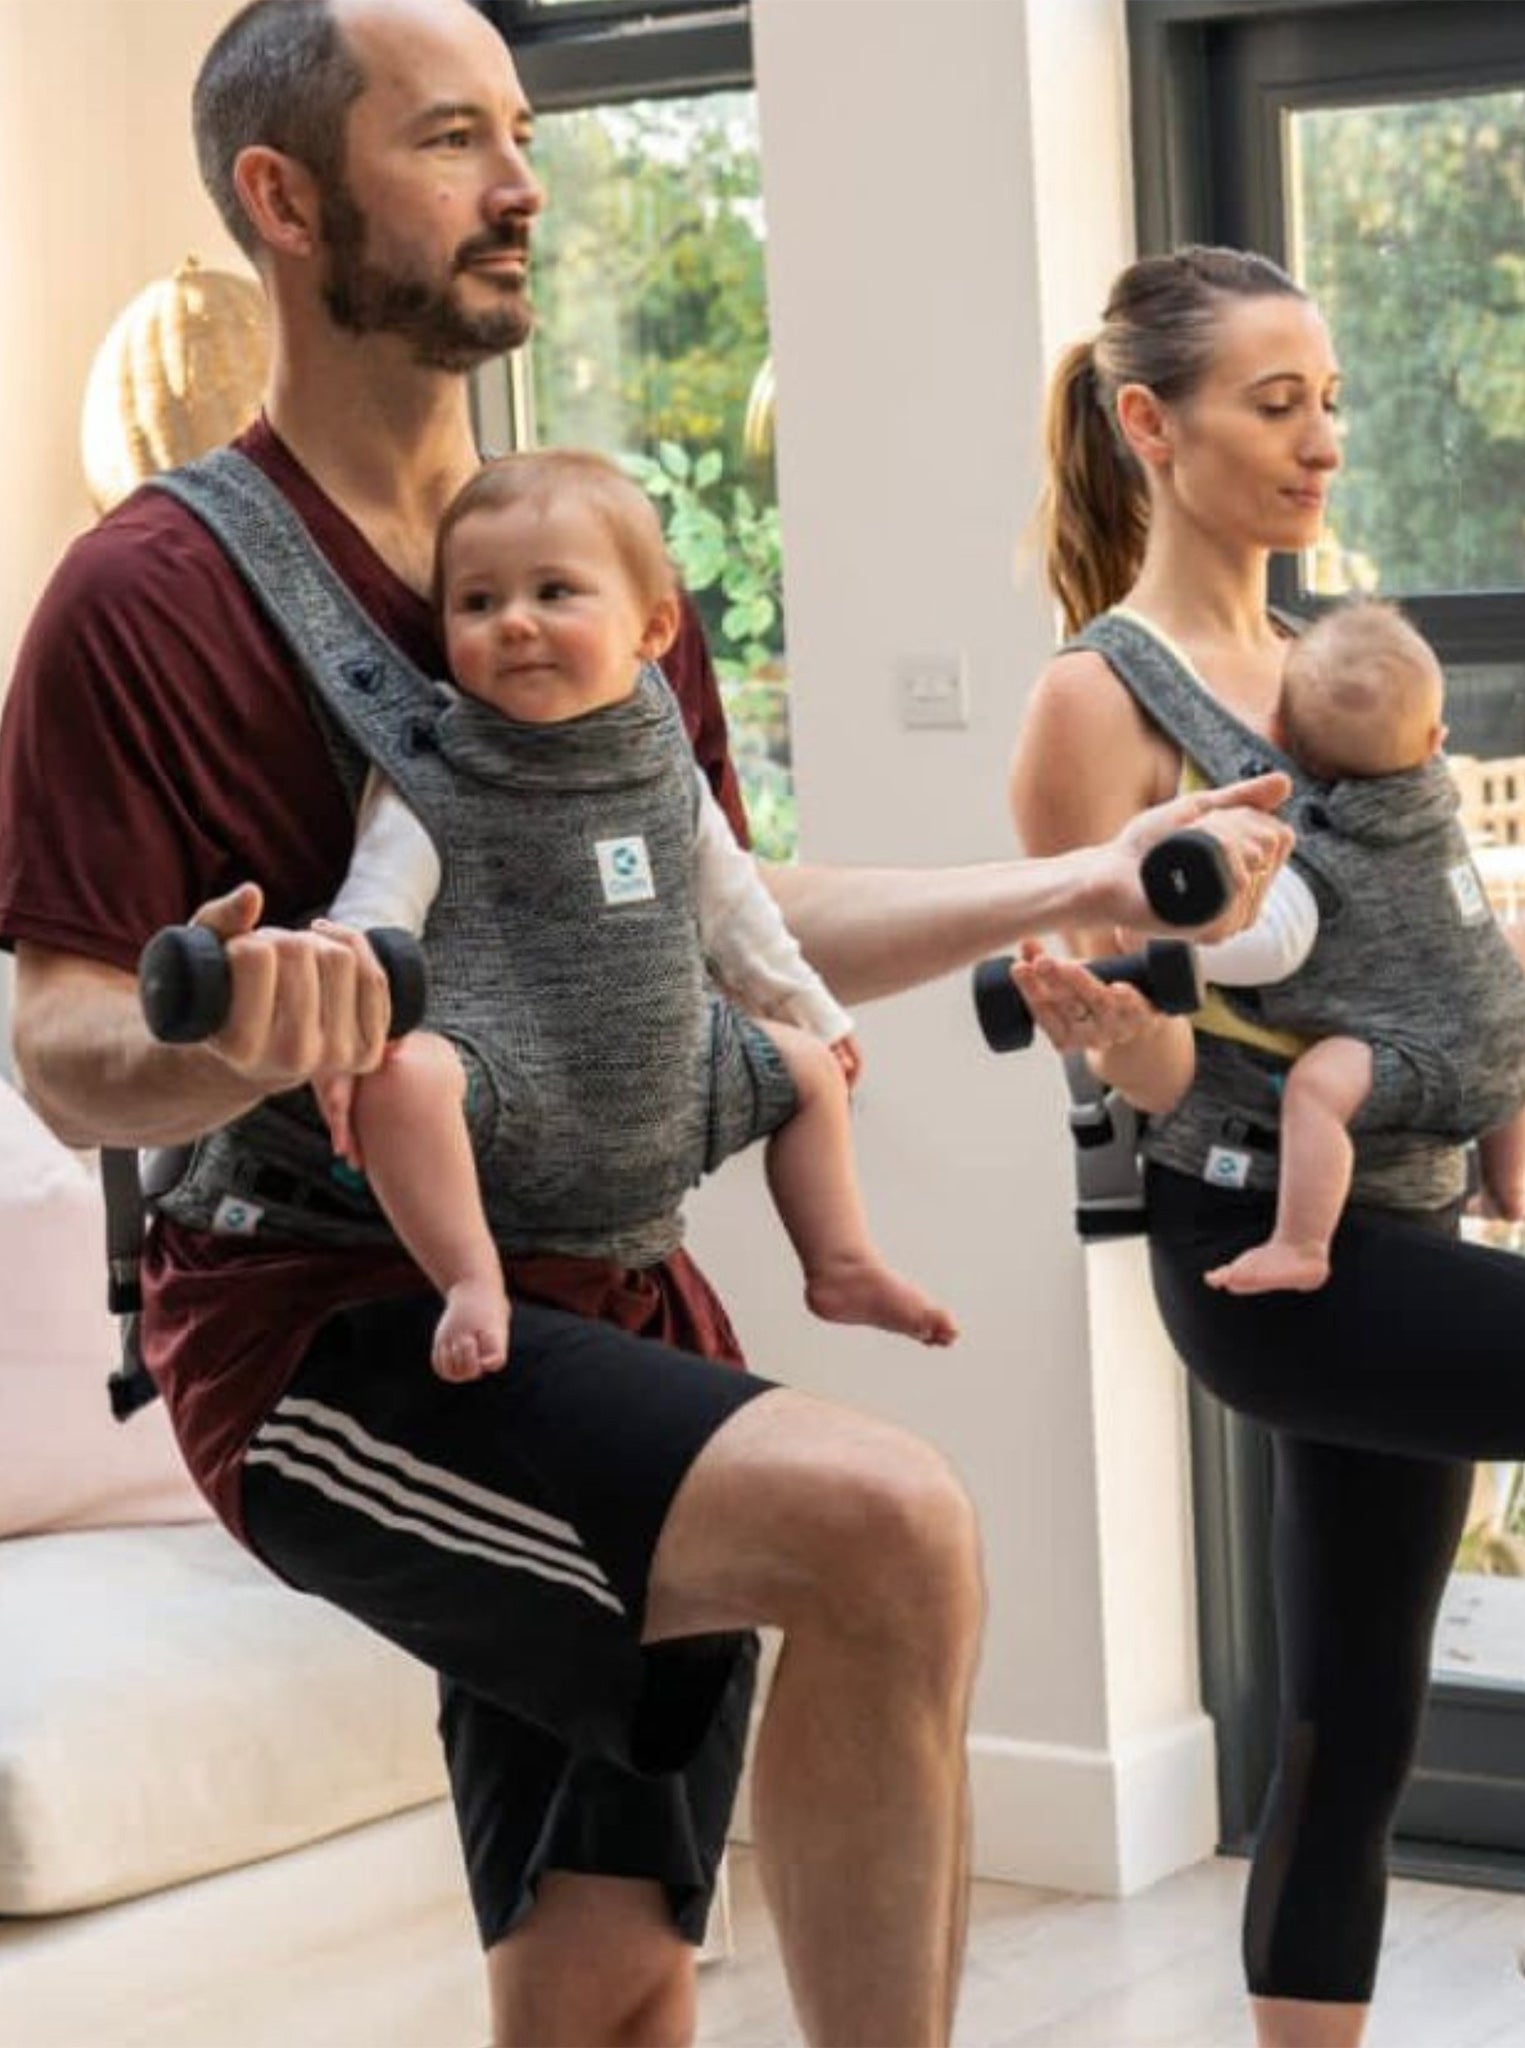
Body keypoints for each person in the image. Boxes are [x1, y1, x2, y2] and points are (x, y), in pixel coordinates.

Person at [0, 7, 1292, 2044]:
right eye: (451, 140)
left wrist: (1077, 879)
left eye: (520, 131)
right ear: (283, 197)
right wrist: (240, 1035)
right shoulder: (145, 595)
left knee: (609, 1978)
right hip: (335, 1336)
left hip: (614, 1309)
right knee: (885, 1529)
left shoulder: (560, 559)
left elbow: (730, 918)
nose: (523, 180)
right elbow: (65, 1045)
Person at [1008, 243, 1525, 2048]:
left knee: (1349, 1715)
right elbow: (1148, 1055)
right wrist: (1111, 1028)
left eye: (1329, 398)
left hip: (1403, 1228)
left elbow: (1428, 969)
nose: (1321, 438)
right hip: (1269, 1250)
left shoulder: (1341, 654)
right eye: (1274, 401)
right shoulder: (1101, 701)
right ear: (1152, 426)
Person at [316, 446, 957, 1380]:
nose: (517, 624)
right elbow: (379, 905)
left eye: (555, 593)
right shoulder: (437, 776)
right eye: (478, 603)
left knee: (810, 1069)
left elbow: (732, 905)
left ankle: (842, 1261)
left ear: (653, 628)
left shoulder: (661, 760)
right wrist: (350, 986)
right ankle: (470, 1278)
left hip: (671, 1076)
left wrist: (813, 1010)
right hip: (507, 1082)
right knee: (401, 1081)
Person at [1196, 595, 1525, 1295]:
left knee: (1317, 1089)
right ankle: (1509, 1185)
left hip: (1418, 1058)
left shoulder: (1312, 855)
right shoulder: (1439, 805)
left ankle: (1300, 1243)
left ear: (1278, 737)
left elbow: (1265, 949)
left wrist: (1182, 947)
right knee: (1499, 1025)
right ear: (1434, 741)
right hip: (1517, 1038)